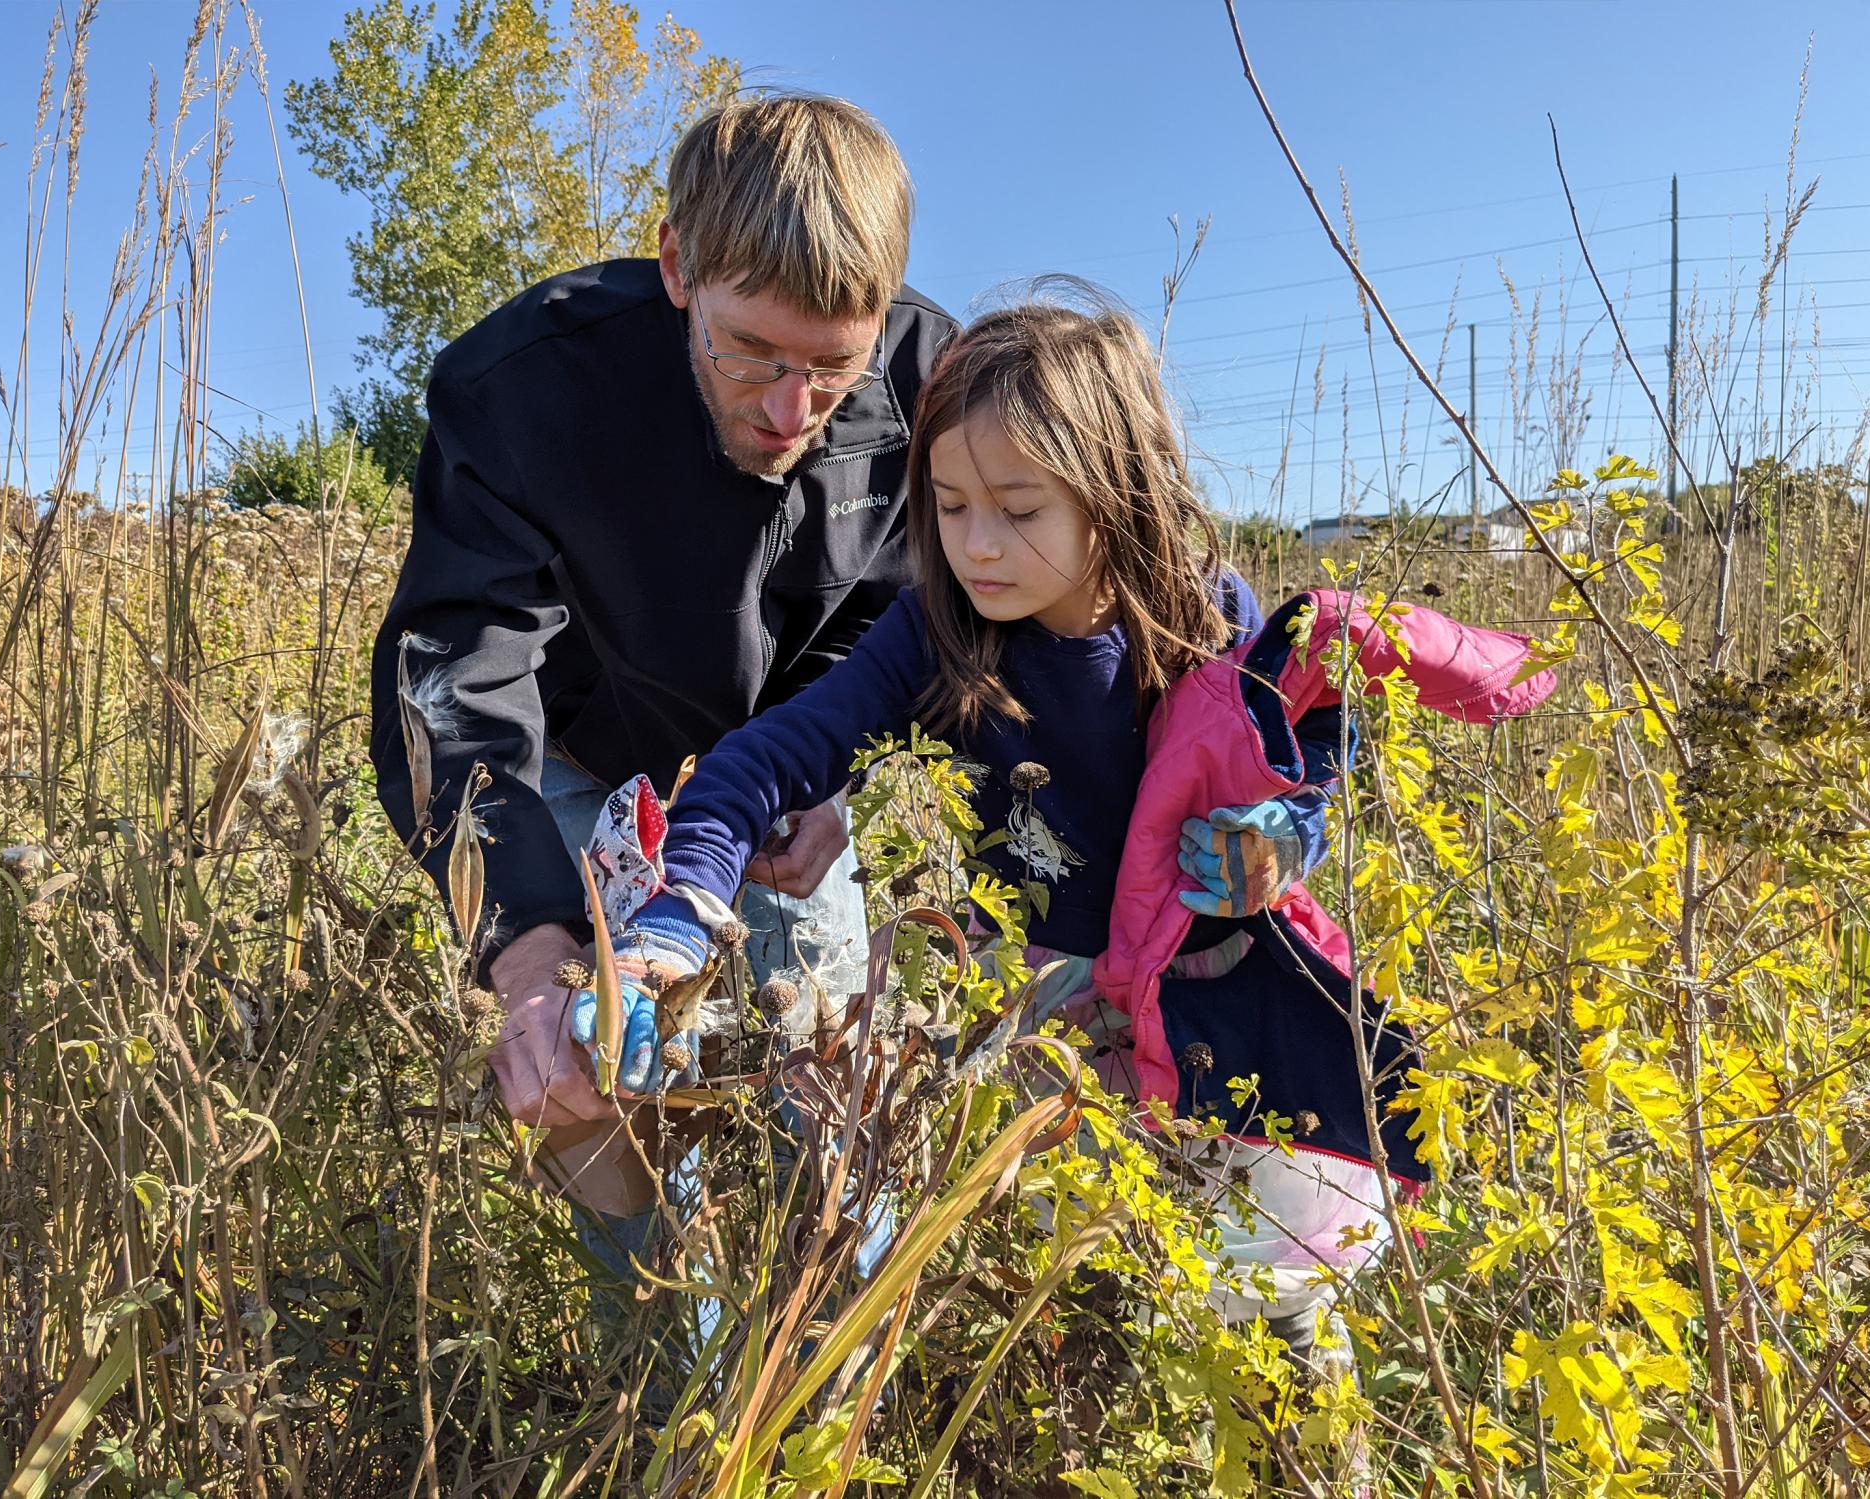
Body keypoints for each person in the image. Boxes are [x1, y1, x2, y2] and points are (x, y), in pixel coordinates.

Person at [580, 291, 1556, 1423]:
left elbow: (1299, 770)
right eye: (947, 504)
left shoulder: (1210, 621)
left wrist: (1279, 846)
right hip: (1043, 1014)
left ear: (1115, 492)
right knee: (1075, 1289)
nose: (976, 542)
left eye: (1017, 506)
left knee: (1273, 1309)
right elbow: (764, 760)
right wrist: (674, 912)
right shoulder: (938, 629)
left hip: (1214, 1011)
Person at [368, 94, 958, 1229]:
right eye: (750, 353)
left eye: (831, 367)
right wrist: (530, 945)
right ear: (678, 263)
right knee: (599, 1070)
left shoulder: (936, 385)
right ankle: (667, 1366)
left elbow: (899, 616)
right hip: (588, 754)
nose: (790, 410)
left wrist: (826, 769)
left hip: (786, 767)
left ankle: (832, 1347)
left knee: (829, 1082)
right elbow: (453, 675)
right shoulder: (523, 390)